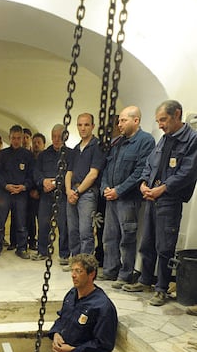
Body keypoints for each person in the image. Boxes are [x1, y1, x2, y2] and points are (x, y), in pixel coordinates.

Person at [123, 100, 197, 306]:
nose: (161, 125)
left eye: (163, 120)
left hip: (169, 200)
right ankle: (145, 280)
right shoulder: (164, 140)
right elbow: (149, 164)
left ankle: (161, 288)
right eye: (158, 121)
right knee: (147, 243)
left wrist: (162, 188)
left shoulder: (192, 140)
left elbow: (187, 172)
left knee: (165, 247)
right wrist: (144, 184)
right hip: (152, 199)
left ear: (177, 115)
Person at [100, 106, 155, 287]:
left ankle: (125, 274)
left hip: (127, 199)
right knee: (109, 237)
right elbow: (107, 168)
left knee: (127, 238)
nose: (119, 124)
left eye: (123, 120)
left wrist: (119, 190)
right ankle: (109, 270)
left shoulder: (145, 141)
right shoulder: (118, 142)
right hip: (112, 198)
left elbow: (140, 171)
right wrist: (106, 188)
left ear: (136, 120)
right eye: (119, 121)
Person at [65, 113, 105, 266]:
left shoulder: (97, 146)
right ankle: (76, 263)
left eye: (86, 124)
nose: (83, 128)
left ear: (93, 126)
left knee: (85, 231)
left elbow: (93, 174)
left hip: (87, 194)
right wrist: (68, 190)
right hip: (72, 193)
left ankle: (86, 265)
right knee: (73, 231)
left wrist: (77, 192)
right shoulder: (76, 148)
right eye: (80, 125)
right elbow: (69, 172)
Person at [0, 124, 34, 259]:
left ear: (22, 138)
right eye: (13, 138)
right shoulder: (2, 155)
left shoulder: (28, 155)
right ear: (9, 138)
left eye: (18, 138)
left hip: (21, 193)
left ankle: (21, 248)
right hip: (5, 192)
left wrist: (24, 186)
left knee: (21, 223)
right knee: (0, 222)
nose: (16, 140)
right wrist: (5, 186)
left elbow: (32, 175)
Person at [33, 124, 70, 262]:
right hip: (45, 196)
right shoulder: (43, 155)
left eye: (59, 137)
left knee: (63, 225)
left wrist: (54, 184)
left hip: (62, 195)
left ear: (65, 137)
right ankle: (42, 251)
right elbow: (36, 172)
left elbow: (70, 173)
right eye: (54, 136)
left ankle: (64, 254)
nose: (56, 139)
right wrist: (43, 182)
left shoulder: (70, 154)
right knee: (43, 224)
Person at [27, 132, 46, 251]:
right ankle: (32, 241)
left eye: (39, 142)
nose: (36, 145)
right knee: (30, 219)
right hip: (29, 193)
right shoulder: (29, 158)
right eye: (34, 142)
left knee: (43, 220)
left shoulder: (46, 158)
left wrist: (39, 191)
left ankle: (43, 243)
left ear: (44, 144)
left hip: (43, 194)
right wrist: (31, 190)